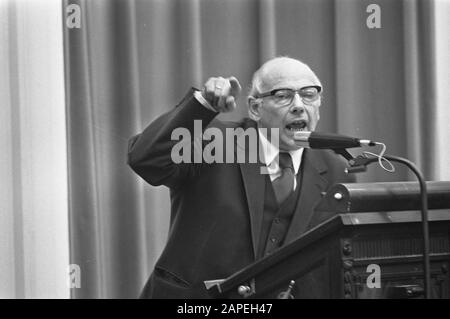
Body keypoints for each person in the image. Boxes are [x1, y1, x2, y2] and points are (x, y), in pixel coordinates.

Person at [128, 57, 355, 298]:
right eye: (282, 96)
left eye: (309, 94)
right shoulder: (216, 142)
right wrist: (202, 105)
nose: (299, 105)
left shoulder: (335, 168)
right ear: (255, 108)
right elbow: (147, 159)